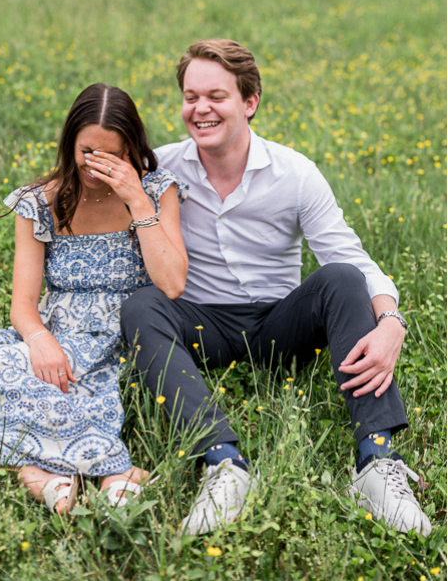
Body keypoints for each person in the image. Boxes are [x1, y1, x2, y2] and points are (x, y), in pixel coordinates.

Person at [121, 39, 431, 537]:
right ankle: (225, 466)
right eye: (190, 96)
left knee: (342, 278)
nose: (200, 109)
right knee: (141, 305)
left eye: (216, 96)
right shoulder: (161, 168)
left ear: (250, 102)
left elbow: (348, 256)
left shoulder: (294, 174)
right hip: (201, 321)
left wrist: (391, 321)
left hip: (279, 327)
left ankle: (376, 462)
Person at [0, 84, 189, 512]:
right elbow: (23, 304)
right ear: (70, 144)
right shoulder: (40, 202)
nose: (96, 165)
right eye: (87, 151)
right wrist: (39, 340)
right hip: (58, 333)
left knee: (65, 390)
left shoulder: (158, 191)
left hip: (127, 334)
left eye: (112, 155)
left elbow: (173, 283)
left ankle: (75, 471)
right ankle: (65, 473)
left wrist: (136, 199)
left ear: (131, 150)